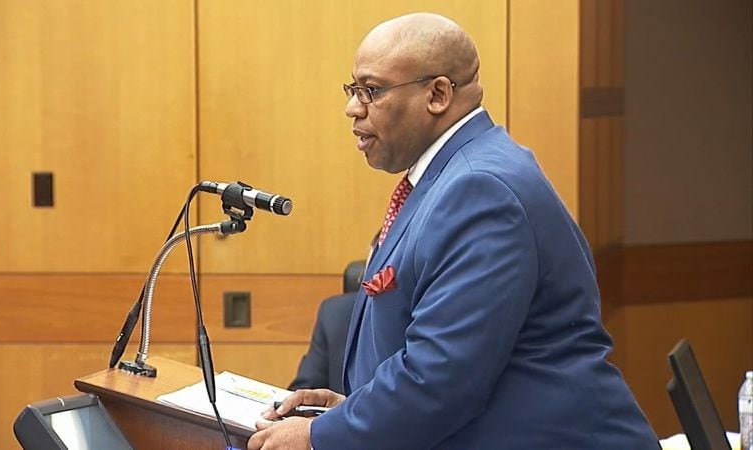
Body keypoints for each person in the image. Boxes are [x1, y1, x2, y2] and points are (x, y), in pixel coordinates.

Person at [249, 12, 660, 450]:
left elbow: (440, 376)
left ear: (439, 94)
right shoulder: (456, 175)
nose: (353, 107)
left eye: (372, 90)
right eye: (353, 90)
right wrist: (352, 410)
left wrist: (320, 436)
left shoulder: (480, 189)